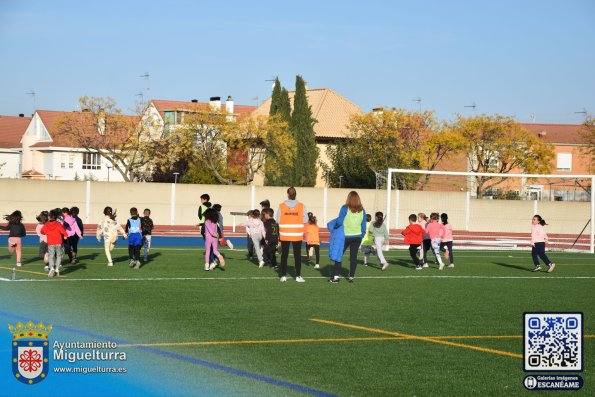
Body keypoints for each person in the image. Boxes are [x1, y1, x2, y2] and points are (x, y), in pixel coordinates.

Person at [329, 191, 366, 283]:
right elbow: (364, 225)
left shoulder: (345, 208)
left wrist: (334, 225)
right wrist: (361, 234)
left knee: (338, 255)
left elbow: (339, 221)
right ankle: (351, 277)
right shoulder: (362, 210)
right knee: (354, 257)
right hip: (357, 236)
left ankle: (336, 277)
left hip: (345, 236)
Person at [276, 187, 308, 283]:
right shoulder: (301, 206)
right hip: (297, 234)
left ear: (288, 194)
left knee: (284, 255)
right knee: (297, 255)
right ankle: (298, 276)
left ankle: (283, 276)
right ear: (295, 194)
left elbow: (277, 220)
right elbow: (305, 220)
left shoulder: (281, 206)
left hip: (285, 234)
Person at [41, 209, 68, 277]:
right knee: (59, 256)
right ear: (56, 217)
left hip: (51, 243)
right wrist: (65, 236)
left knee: (51, 256)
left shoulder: (46, 225)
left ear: (49, 217)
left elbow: (42, 231)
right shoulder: (58, 224)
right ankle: (57, 269)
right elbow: (64, 232)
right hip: (58, 242)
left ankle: (52, 268)